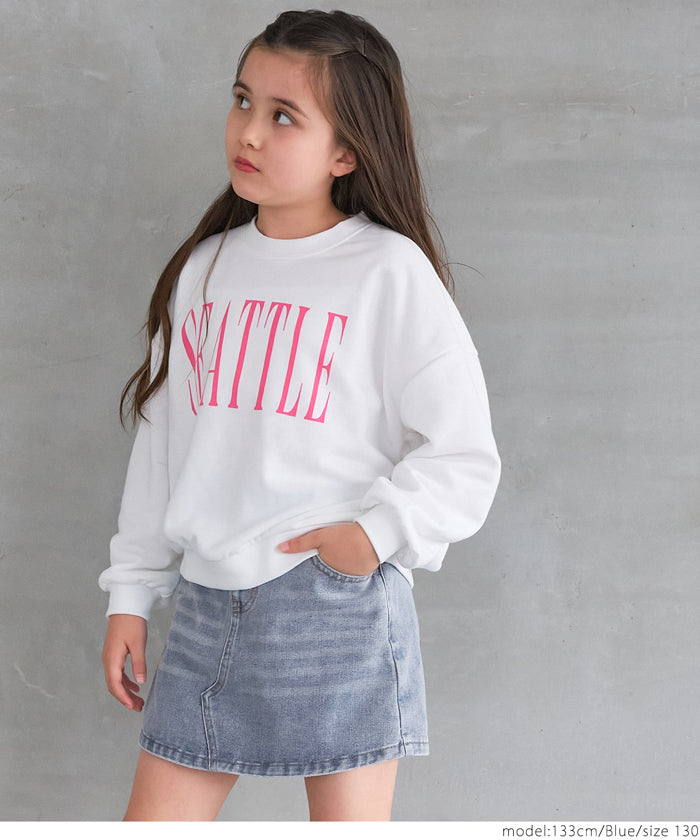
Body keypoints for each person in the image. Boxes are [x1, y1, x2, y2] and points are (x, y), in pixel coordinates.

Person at [99, 8, 501, 822]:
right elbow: (162, 447)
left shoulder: (388, 271)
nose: (249, 131)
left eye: (284, 116)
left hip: (335, 612)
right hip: (207, 610)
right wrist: (130, 595)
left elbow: (463, 454)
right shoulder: (203, 270)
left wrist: (374, 537)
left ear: (346, 151)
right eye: (242, 100)